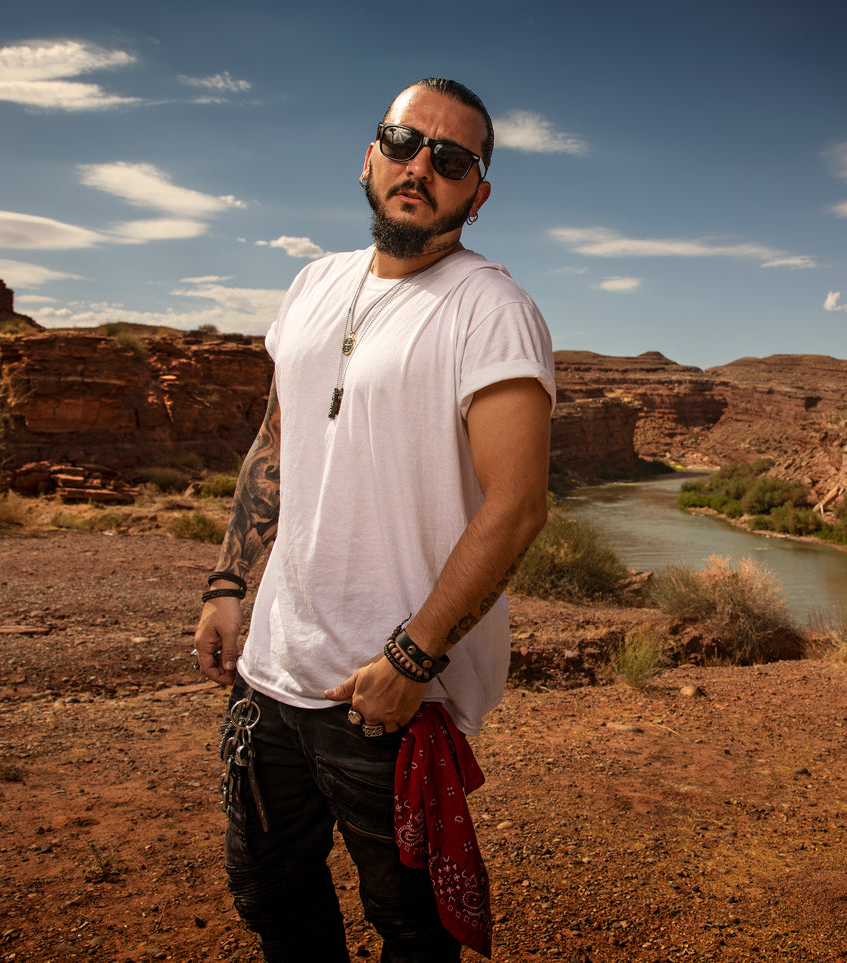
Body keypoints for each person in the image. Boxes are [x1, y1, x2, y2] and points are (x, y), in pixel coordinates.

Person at [193, 77, 554, 963]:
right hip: (272, 670)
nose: (420, 165)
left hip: (388, 698)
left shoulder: (492, 310)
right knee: (272, 896)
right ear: (369, 155)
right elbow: (275, 442)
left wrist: (409, 658)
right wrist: (231, 580)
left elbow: (517, 507)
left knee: (413, 929)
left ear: (479, 192)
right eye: (402, 141)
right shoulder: (312, 284)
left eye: (452, 157)